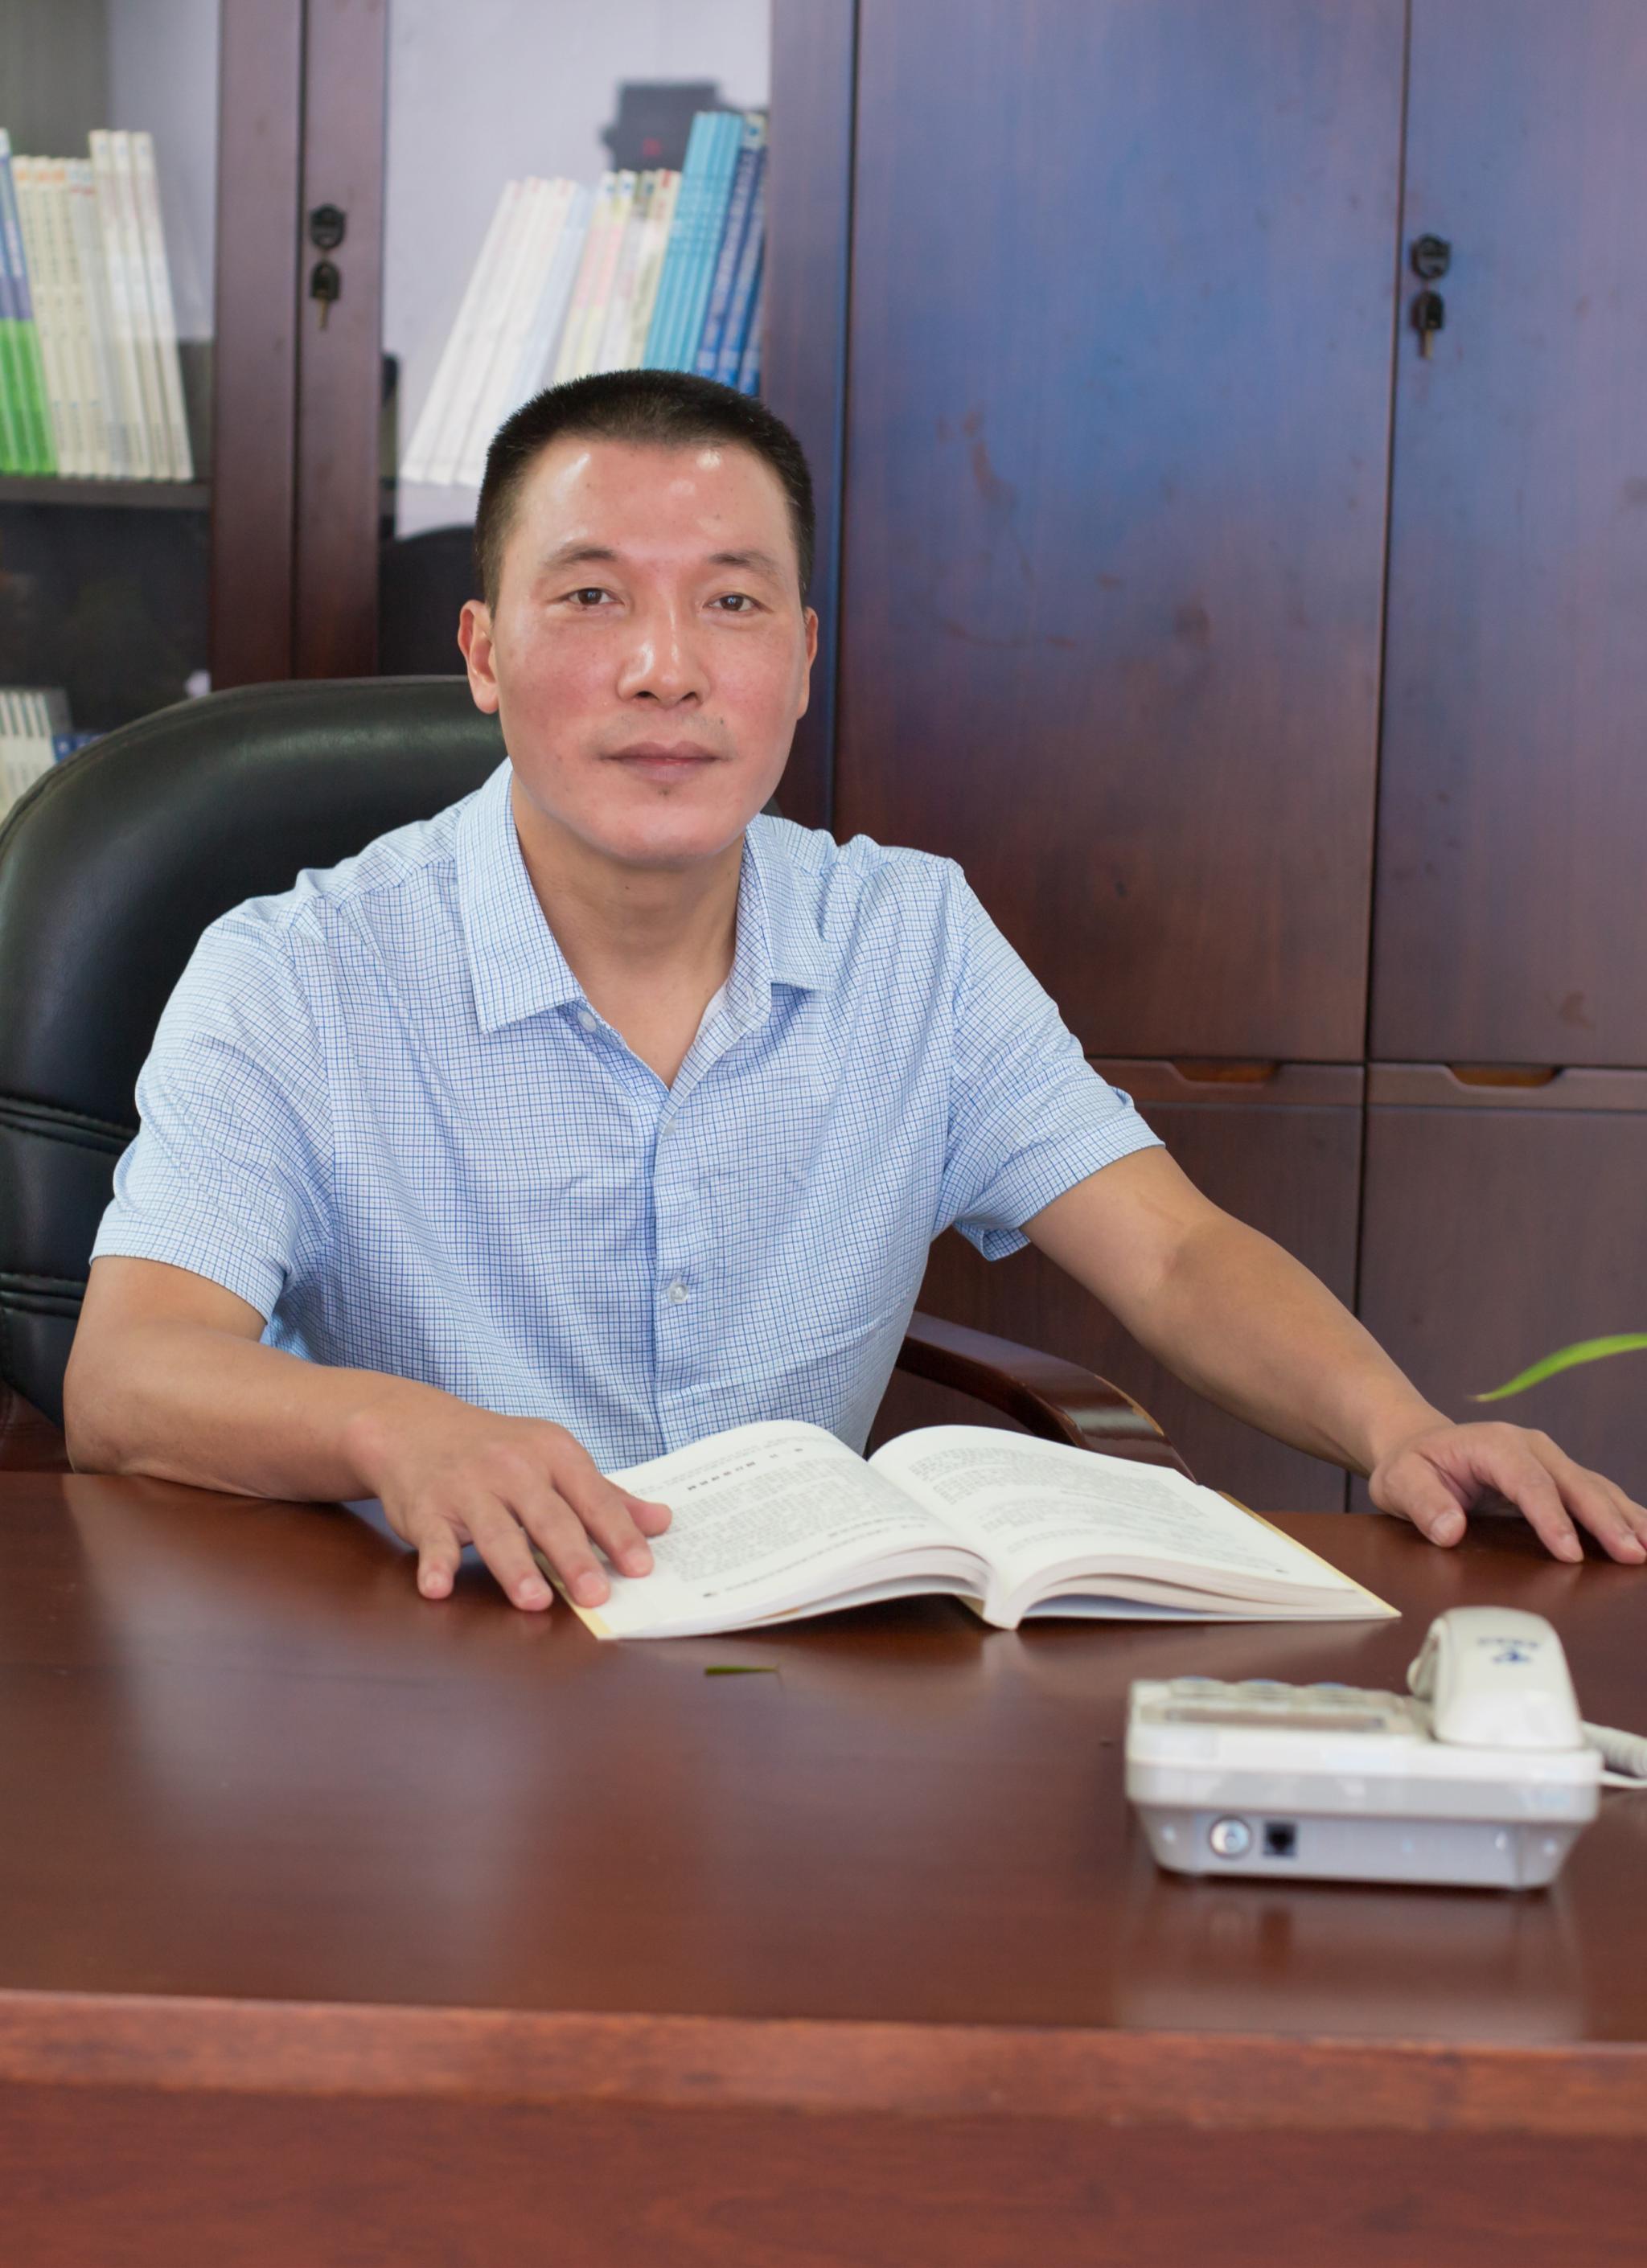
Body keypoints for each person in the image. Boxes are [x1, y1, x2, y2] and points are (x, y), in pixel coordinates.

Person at [64, 371, 1647, 1610]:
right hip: (412, 1654)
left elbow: (1170, 1254)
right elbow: (128, 1375)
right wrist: (393, 1429)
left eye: (732, 601)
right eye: (593, 596)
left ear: (804, 658)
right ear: (484, 653)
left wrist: (1398, 1427)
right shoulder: (295, 975)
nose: (667, 667)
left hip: (786, 1684)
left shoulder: (911, 941)